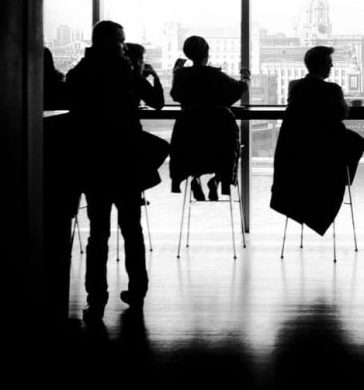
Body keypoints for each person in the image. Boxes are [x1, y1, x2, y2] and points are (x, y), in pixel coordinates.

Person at [66, 20, 163, 321]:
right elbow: (157, 103)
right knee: (132, 229)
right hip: (125, 159)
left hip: (94, 160)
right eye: (121, 40)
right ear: (109, 42)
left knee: (99, 233)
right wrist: (150, 75)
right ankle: (137, 289)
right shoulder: (126, 72)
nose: (124, 45)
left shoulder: (78, 74)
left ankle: (96, 298)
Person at [271, 46, 364, 235]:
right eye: (329, 62)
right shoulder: (332, 89)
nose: (332, 65)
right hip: (324, 153)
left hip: (299, 156)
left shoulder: (294, 86)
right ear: (322, 66)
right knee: (358, 143)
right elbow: (342, 113)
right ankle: (344, 180)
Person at [168, 35, 250, 198]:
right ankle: (219, 179)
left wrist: (175, 73)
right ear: (207, 54)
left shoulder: (182, 77)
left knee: (195, 147)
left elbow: (176, 95)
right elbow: (240, 89)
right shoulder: (216, 76)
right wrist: (245, 76)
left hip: (192, 142)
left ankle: (194, 177)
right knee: (226, 148)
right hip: (218, 141)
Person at [124, 42, 165, 110]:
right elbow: (158, 104)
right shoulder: (139, 81)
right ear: (138, 61)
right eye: (142, 60)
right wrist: (156, 77)